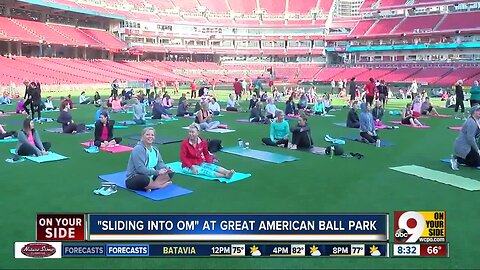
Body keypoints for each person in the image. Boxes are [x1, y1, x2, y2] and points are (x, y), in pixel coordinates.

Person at [125, 127, 173, 191]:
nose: (150, 136)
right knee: (144, 179)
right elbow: (140, 169)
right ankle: (158, 186)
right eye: (147, 134)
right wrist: (157, 172)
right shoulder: (138, 149)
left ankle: (151, 186)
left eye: (152, 135)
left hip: (151, 176)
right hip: (136, 177)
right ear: (142, 136)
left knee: (170, 172)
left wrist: (165, 169)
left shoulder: (155, 149)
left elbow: (160, 163)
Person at [450, 105, 480, 170]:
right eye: (477, 110)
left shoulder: (478, 120)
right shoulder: (471, 122)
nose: (479, 112)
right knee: (476, 163)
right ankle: (457, 159)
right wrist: (477, 150)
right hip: (463, 146)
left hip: (470, 145)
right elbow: (470, 139)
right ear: (473, 112)